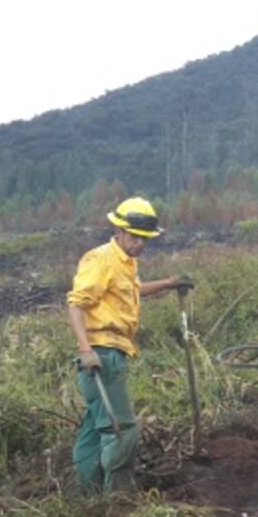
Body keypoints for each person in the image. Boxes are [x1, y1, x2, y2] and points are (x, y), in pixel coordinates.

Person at [67, 197, 193, 491]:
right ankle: (118, 501)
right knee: (123, 431)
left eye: (144, 238)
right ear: (119, 230)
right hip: (101, 355)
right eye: (135, 237)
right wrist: (86, 350)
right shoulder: (101, 260)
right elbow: (76, 304)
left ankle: (88, 495)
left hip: (113, 351)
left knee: (94, 429)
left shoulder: (126, 263)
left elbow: (133, 291)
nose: (140, 243)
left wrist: (169, 283)